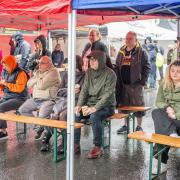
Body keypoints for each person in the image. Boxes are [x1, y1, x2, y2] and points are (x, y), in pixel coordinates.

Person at [75, 50, 117, 159]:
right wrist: (79, 105)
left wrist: (95, 108)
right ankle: (75, 144)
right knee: (76, 114)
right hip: (91, 105)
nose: (91, 62)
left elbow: (108, 95)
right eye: (90, 60)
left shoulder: (110, 74)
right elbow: (84, 90)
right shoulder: (89, 72)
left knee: (95, 116)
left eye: (94, 60)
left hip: (107, 106)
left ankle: (98, 146)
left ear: (101, 61)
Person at [40, 55, 85, 152]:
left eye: (69, 63)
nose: (67, 66)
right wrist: (70, 90)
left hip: (77, 103)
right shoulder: (66, 75)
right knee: (53, 114)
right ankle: (46, 139)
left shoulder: (84, 76)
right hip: (64, 101)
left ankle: (64, 143)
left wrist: (77, 91)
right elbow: (59, 91)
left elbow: (84, 93)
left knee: (63, 115)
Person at [116, 31, 150, 134]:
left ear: (136, 40)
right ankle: (125, 126)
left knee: (138, 105)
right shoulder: (121, 51)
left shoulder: (141, 52)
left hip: (136, 84)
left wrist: (142, 81)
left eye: (130, 38)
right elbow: (117, 65)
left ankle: (139, 126)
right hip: (123, 84)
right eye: (126, 38)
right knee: (123, 105)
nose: (127, 40)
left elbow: (147, 67)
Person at [19, 56, 61, 139]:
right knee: (23, 109)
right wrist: (39, 78)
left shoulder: (54, 72)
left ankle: (47, 133)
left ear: (49, 64)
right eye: (39, 63)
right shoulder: (39, 72)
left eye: (42, 63)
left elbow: (42, 86)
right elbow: (28, 84)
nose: (39, 65)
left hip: (48, 100)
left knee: (42, 116)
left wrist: (37, 80)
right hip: (36, 99)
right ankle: (38, 128)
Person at [152, 60, 180, 175]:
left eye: (178, 71)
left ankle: (161, 163)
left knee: (161, 131)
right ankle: (172, 134)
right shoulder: (165, 83)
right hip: (169, 118)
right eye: (172, 71)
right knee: (156, 112)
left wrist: (176, 115)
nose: (175, 73)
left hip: (178, 119)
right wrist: (167, 107)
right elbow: (158, 101)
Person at [0, 55, 29, 140]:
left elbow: (19, 89)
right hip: (8, 97)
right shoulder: (5, 71)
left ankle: (3, 132)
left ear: (10, 63)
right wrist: (2, 85)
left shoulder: (21, 73)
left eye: (5, 65)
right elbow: (3, 85)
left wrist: (6, 84)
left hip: (20, 98)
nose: (4, 67)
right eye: (3, 65)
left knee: (0, 108)